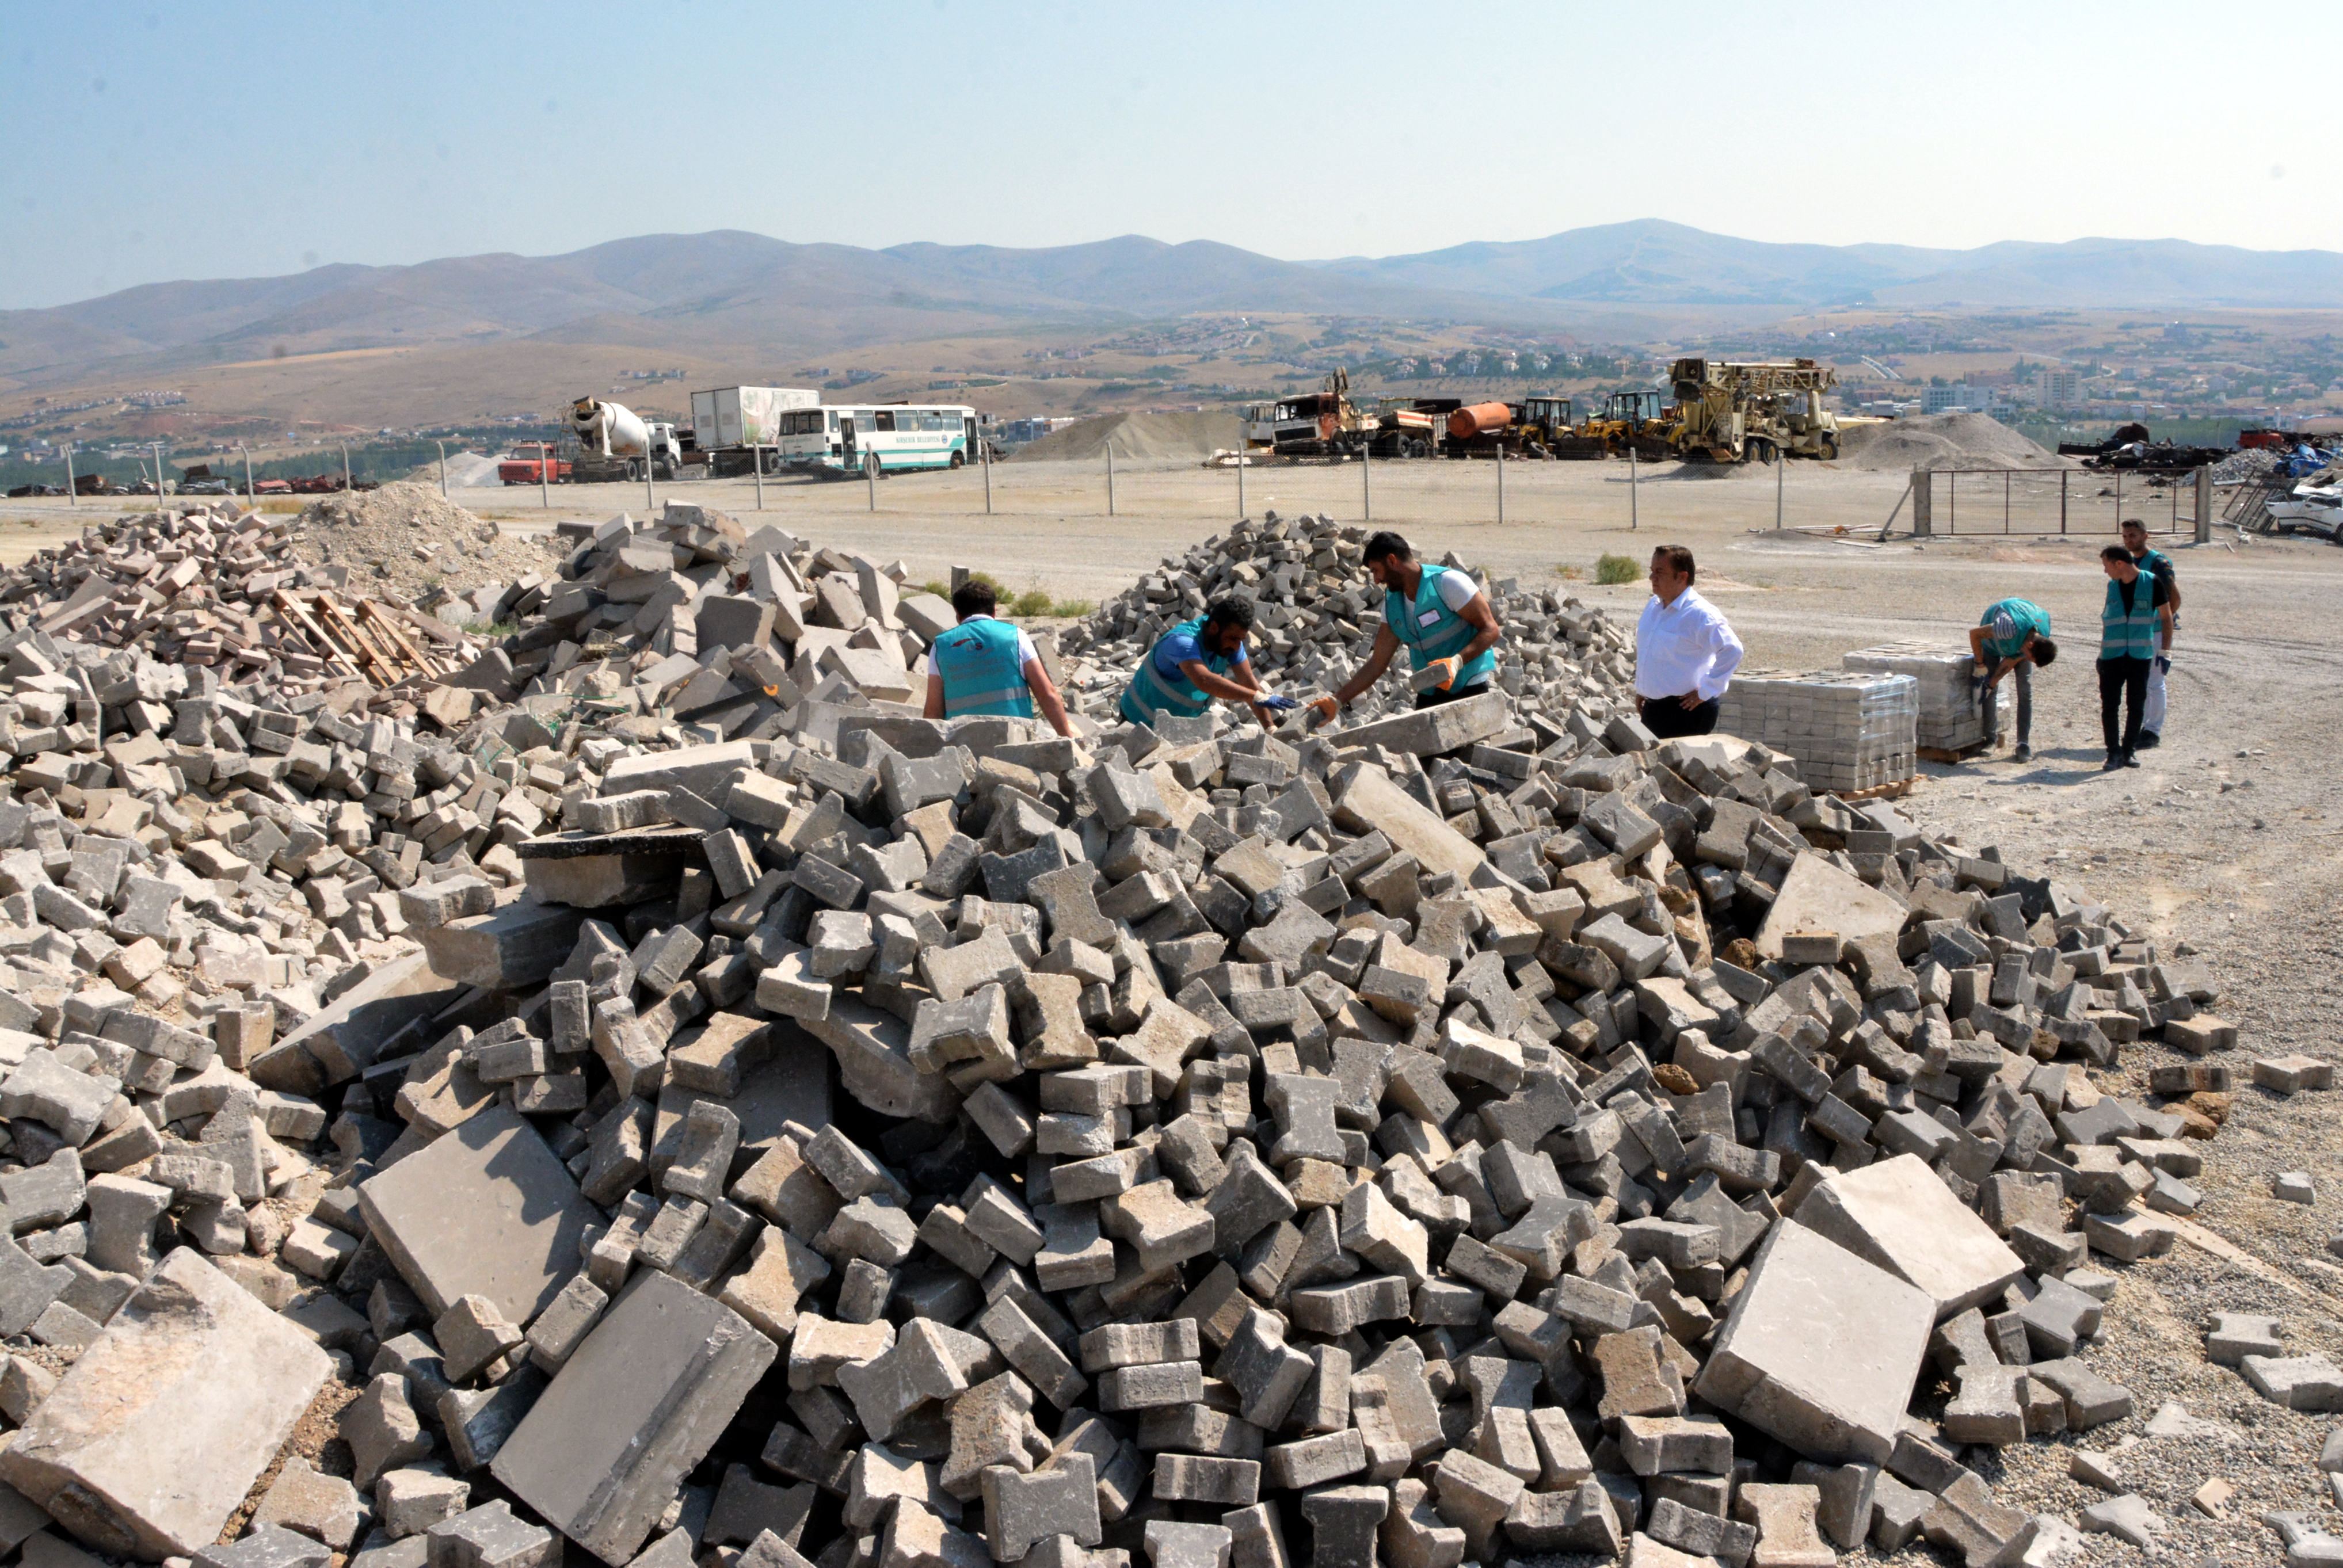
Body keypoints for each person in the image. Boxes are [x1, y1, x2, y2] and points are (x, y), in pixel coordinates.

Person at [1305, 531, 1503, 722]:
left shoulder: (1447, 584)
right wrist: (1337, 700)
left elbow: (1491, 629)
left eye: (1376, 570)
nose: (1376, 580)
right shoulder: (1393, 604)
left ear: (1392, 561)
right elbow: (1378, 663)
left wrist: (1457, 662)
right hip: (1430, 692)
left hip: (1469, 687)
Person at [923, 579, 1073, 737]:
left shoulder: (941, 646)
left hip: (963, 744)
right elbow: (1046, 694)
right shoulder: (1015, 636)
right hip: (1015, 742)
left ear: (958, 614)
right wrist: (1069, 741)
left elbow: (933, 710)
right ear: (994, 611)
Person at [1118, 594, 1290, 730]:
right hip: (1135, 724)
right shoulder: (1182, 642)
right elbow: (1205, 680)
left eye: (1241, 640)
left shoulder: (1229, 644)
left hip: (1174, 730)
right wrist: (1254, 696)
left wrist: (1270, 728)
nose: (1237, 646)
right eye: (1233, 639)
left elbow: (1249, 683)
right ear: (1214, 628)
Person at [1633, 545, 1743, 739]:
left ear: (1682, 577)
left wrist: (1706, 691)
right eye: (1652, 571)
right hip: (1654, 710)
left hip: (1686, 712)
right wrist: (1644, 689)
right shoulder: (1654, 606)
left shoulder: (1700, 614)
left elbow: (1732, 649)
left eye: (1660, 572)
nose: (1652, 578)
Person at [2096, 544, 2172, 771]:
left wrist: (2165, 651)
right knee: (2110, 706)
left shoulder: (2152, 582)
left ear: (2119, 563)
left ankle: (2128, 752)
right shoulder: (2112, 586)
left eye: (2106, 566)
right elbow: (2108, 621)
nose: (2105, 571)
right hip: (2112, 656)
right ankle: (2113, 753)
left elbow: (2167, 618)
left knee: (2136, 705)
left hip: (2140, 656)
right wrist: (2101, 656)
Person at [1968, 598, 2058, 762]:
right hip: (1993, 642)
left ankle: (2023, 744)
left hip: (2020, 639)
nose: (2029, 661)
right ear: (2030, 646)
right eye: (2031, 659)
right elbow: (1975, 633)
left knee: (2024, 690)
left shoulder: (2042, 634)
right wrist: (1980, 664)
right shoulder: (2006, 628)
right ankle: (1991, 740)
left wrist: (1994, 681)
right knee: (1989, 689)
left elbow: (2014, 659)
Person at [2121, 518, 2180, 747]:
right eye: (2125, 536)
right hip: (2139, 632)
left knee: (2155, 683)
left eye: (2133, 536)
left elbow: (2174, 599)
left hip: (2154, 631)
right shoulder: (2131, 562)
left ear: (2145, 536)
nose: (2128, 540)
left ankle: (2153, 731)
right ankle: (2142, 727)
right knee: (2142, 682)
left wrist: (2162, 624)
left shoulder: (2158, 563)